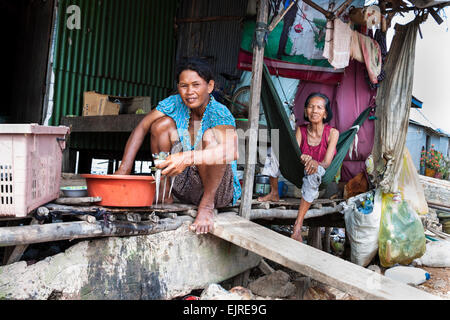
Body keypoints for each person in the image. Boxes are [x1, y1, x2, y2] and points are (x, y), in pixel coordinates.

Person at [115, 58, 241, 235]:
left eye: (196, 85)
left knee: (210, 137)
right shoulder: (174, 103)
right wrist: (123, 170)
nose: (190, 92)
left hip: (218, 192)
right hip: (185, 187)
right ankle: (164, 193)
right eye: (184, 85)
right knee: (161, 125)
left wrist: (187, 157)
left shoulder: (219, 112)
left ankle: (206, 206)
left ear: (210, 86)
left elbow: (231, 151)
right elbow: (142, 127)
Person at [290, 93, 339, 243]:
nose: (314, 111)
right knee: (274, 149)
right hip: (300, 172)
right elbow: (294, 154)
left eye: (319, 107)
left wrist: (315, 163)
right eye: (311, 107)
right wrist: (302, 158)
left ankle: (297, 226)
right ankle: (273, 191)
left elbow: (326, 163)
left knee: (314, 171)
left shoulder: (332, 133)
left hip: (320, 174)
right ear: (305, 111)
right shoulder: (301, 130)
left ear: (325, 113)